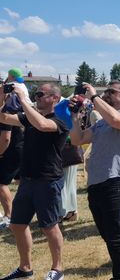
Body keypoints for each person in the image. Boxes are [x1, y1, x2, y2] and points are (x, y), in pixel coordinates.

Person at [69, 81, 120, 280]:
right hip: (96, 183)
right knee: (106, 234)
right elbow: (78, 139)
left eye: (111, 91)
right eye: (105, 91)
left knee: (116, 236)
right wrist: (74, 116)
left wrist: (94, 97)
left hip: (115, 181)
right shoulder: (101, 121)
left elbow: (117, 120)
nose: (107, 94)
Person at [0, 83, 68, 280]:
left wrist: (23, 99)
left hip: (47, 180)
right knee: (17, 224)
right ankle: (25, 268)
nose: (37, 97)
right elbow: (3, 118)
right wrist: (3, 97)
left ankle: (57, 269)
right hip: (28, 180)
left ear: (55, 98)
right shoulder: (29, 118)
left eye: (41, 94)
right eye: (35, 94)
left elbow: (42, 125)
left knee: (49, 226)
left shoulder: (59, 120)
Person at [0, 103, 23, 229]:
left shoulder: (4, 111)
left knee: (1, 183)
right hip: (18, 149)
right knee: (22, 182)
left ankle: (10, 216)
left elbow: (5, 138)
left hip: (10, 151)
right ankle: (24, 212)